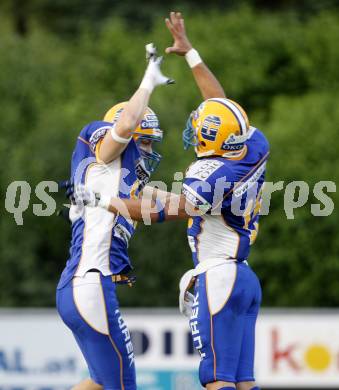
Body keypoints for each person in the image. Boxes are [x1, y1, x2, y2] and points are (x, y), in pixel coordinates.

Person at [68, 12, 269, 390]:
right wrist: (191, 53)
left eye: (199, 132)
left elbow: (161, 211)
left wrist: (103, 199)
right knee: (244, 382)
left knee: (217, 380)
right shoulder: (251, 147)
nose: (193, 135)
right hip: (245, 276)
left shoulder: (206, 178)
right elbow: (221, 106)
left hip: (218, 274)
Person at [56, 45, 173, 390]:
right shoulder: (104, 161)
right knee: (123, 385)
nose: (150, 152)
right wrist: (148, 81)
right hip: (90, 282)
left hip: (79, 284)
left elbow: (184, 205)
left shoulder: (122, 183)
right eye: (146, 143)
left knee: (100, 382)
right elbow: (123, 126)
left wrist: (223, 197)